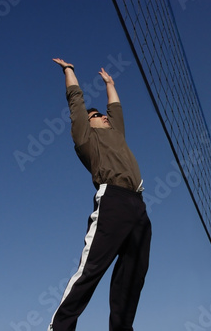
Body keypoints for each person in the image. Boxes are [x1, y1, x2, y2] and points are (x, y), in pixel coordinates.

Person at [48, 58, 151, 331]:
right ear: (89, 123)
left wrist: (110, 84)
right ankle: (59, 327)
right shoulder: (86, 138)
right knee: (91, 269)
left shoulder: (116, 133)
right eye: (97, 116)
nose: (103, 117)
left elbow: (115, 109)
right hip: (113, 201)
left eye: (103, 115)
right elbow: (77, 105)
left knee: (133, 276)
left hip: (138, 206)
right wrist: (69, 70)